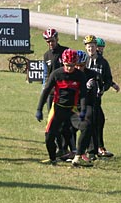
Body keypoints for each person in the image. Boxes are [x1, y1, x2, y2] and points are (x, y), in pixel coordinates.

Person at [36, 49, 92, 167]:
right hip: (58, 108)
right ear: (63, 63)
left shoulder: (79, 75)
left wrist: (82, 110)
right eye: (67, 65)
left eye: (72, 65)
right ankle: (52, 159)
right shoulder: (56, 74)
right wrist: (39, 109)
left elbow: (83, 95)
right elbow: (46, 91)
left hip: (72, 109)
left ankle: (78, 156)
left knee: (86, 127)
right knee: (49, 136)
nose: (69, 68)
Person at [84, 35, 114, 158]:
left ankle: (96, 148)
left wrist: (103, 89)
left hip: (97, 98)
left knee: (98, 121)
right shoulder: (83, 60)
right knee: (87, 122)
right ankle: (88, 150)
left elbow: (108, 79)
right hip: (84, 98)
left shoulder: (103, 62)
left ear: (96, 47)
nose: (91, 49)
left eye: (92, 46)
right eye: (88, 47)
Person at [42, 28, 69, 158]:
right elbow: (46, 74)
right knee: (53, 122)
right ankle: (59, 147)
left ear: (57, 39)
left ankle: (67, 148)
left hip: (65, 92)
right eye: (48, 41)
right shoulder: (46, 55)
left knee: (65, 123)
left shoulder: (65, 51)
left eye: (52, 41)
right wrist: (44, 88)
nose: (50, 43)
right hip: (52, 93)